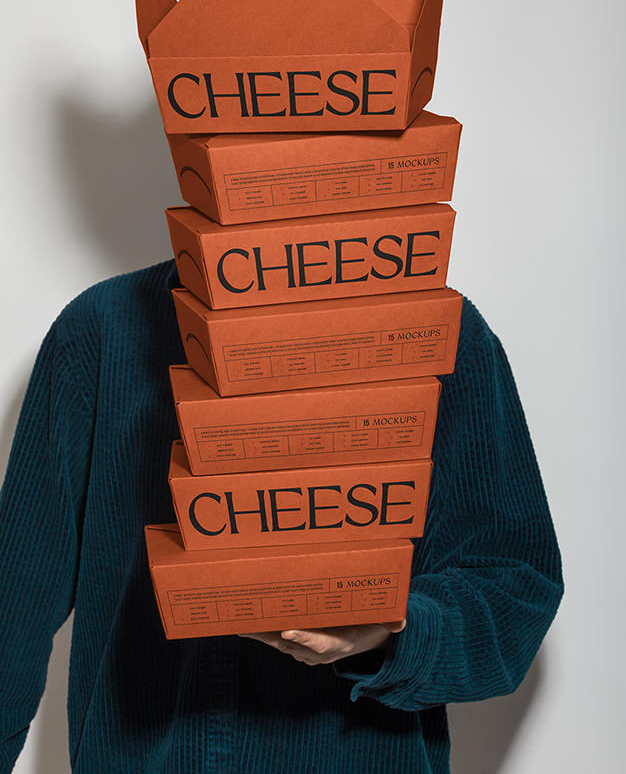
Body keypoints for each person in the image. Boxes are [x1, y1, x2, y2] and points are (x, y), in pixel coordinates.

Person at [0, 258, 562, 774]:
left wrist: (391, 627)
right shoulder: (100, 331)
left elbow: (513, 590)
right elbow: (14, 612)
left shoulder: (441, 330)